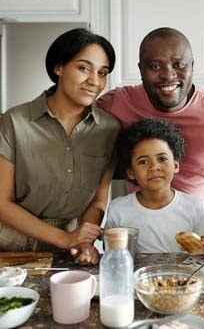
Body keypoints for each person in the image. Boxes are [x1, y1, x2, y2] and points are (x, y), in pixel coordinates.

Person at [97, 27, 204, 244]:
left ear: (192, 67)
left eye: (179, 65)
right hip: (143, 234)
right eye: (155, 66)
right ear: (140, 69)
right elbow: (75, 122)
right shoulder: (119, 103)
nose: (168, 75)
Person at [0, 28, 121, 265]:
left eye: (103, 72)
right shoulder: (14, 121)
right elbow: (1, 202)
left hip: (72, 246)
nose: (94, 81)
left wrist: (83, 239)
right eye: (83, 68)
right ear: (59, 67)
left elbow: (98, 201)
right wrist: (65, 238)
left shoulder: (110, 129)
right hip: (9, 243)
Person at [105, 118, 204, 259]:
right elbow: (111, 254)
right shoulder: (118, 209)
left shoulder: (194, 206)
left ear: (175, 165)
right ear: (131, 172)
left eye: (162, 159)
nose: (154, 167)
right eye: (143, 162)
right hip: (138, 278)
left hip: (183, 278)